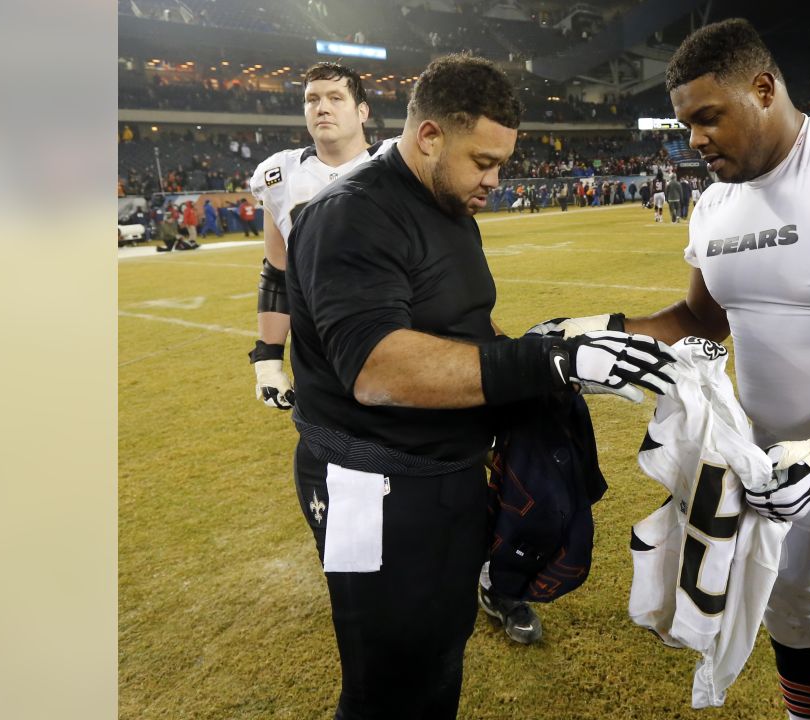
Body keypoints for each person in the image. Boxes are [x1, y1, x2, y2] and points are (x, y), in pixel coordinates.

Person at [535, 19, 810, 720]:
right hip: (768, 456)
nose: (694, 140)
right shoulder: (714, 203)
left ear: (764, 89)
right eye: (686, 124)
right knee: (786, 604)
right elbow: (698, 324)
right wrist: (590, 331)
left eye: (708, 117)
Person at [282, 52, 675, 719]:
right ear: (430, 135)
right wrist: (549, 363)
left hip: (442, 474)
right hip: (370, 488)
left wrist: (536, 352)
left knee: (438, 653)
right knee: (388, 682)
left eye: (501, 163)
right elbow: (379, 369)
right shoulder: (353, 214)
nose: (495, 180)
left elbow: (462, 326)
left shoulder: (446, 203)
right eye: (484, 162)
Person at [246, 61, 397, 414]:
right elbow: (277, 273)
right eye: (312, 99)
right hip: (318, 357)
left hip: (395, 340)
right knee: (322, 451)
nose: (322, 107)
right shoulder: (278, 174)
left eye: (335, 97)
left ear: (362, 110)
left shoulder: (398, 161)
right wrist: (267, 358)